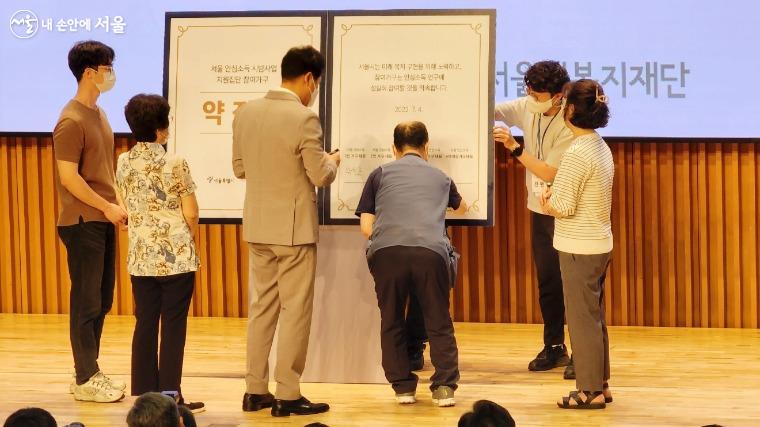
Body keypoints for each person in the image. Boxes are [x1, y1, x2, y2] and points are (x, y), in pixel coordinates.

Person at [232, 45, 339, 417]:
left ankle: (255, 390)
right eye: (316, 83)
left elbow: (239, 169)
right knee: (295, 312)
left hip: (257, 225)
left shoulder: (245, 112)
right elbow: (320, 175)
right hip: (293, 230)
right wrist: (332, 160)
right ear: (309, 78)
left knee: (261, 309)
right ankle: (288, 394)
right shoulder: (304, 117)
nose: (314, 91)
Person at [356, 121, 467, 407]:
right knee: (438, 320)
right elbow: (462, 207)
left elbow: (366, 228)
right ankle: (444, 388)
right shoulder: (441, 177)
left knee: (391, 319)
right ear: (426, 146)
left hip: (387, 254)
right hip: (430, 253)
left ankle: (403, 388)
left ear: (394, 149)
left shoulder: (378, 174)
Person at [116, 94, 204, 413]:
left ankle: (144, 394)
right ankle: (170, 395)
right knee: (173, 324)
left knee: (145, 322)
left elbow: (124, 203)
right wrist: (183, 236)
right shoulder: (175, 161)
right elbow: (191, 211)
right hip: (176, 256)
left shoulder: (124, 161)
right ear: (161, 128)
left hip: (140, 257)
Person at [53, 40, 127, 403]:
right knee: (86, 300)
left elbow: (104, 170)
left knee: (102, 298)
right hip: (82, 221)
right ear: (89, 71)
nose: (110, 73)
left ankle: (88, 368)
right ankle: (85, 376)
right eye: (107, 66)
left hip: (103, 217)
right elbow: (70, 178)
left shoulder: (98, 113)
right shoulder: (70, 120)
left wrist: (118, 204)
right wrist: (105, 206)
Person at [493, 60, 576, 378]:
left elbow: (549, 171)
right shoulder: (527, 107)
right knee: (548, 282)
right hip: (539, 210)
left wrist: (514, 147)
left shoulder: (572, 120)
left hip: (568, 211)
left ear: (557, 96)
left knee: (574, 284)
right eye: (527, 91)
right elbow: (492, 110)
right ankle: (554, 346)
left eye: (537, 93)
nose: (531, 98)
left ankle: (581, 353)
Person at [540, 79, 614, 409]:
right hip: (597, 241)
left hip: (578, 245)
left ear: (570, 110)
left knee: (582, 321)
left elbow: (563, 206)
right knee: (593, 317)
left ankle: (589, 391)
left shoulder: (577, 153)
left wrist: (546, 200)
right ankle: (601, 383)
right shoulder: (598, 144)